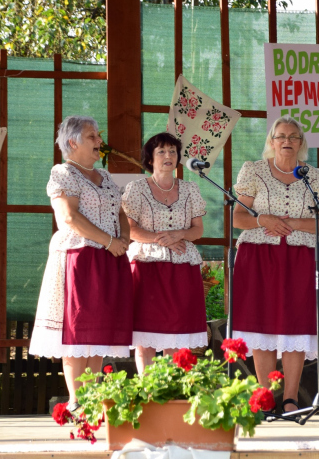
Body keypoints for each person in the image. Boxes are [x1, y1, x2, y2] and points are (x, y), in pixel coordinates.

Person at [231, 116, 319, 413]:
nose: (287, 141)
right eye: (280, 136)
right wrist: (262, 219)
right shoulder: (253, 170)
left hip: (301, 257)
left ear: (301, 143)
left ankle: (290, 400)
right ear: (271, 142)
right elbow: (238, 218)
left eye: (293, 136)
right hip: (258, 257)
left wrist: (291, 223)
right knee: (261, 326)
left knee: (296, 329)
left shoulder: (313, 176)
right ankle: (264, 398)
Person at [29, 116, 133, 411]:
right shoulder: (62, 173)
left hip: (109, 256)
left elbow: (121, 212)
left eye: (98, 136)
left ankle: (92, 397)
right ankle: (77, 402)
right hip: (79, 257)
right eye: (92, 136)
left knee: (100, 329)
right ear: (72, 142)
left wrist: (122, 239)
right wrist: (108, 241)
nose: (100, 141)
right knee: (77, 328)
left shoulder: (106, 176)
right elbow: (70, 218)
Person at [121, 133, 208, 374]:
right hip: (146, 266)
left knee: (177, 336)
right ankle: (148, 393)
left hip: (182, 268)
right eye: (161, 151)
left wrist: (178, 234)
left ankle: (170, 392)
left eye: (172, 151)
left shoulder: (190, 188)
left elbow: (197, 230)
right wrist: (165, 239)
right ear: (150, 159)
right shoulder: (136, 188)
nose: (168, 156)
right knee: (144, 336)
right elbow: (130, 228)